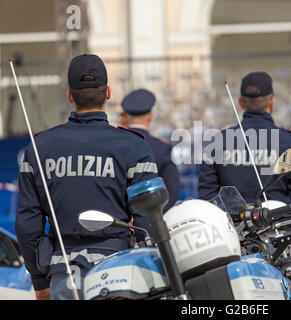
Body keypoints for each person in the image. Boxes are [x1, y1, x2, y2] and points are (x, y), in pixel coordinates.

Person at [15, 54, 158, 300]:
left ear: (70, 96)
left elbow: (28, 223)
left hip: (63, 275)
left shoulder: (39, 147)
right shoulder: (133, 147)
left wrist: (40, 282)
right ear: (109, 93)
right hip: (120, 274)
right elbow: (148, 218)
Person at [198, 71, 291, 205]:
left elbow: (207, 199)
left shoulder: (218, 142)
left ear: (240, 103)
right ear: (272, 101)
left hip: (232, 224)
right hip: (280, 224)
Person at [120, 89, 180, 212]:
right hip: (151, 222)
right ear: (150, 116)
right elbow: (172, 193)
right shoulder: (162, 148)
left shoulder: (114, 144)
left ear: (125, 116)